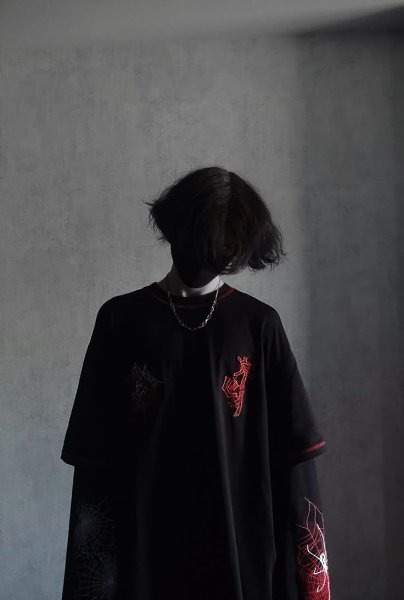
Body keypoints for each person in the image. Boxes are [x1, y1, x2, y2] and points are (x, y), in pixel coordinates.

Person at [60, 166, 331, 599]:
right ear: (176, 230)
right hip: (144, 545)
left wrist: (307, 581)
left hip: (238, 544)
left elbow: (295, 461)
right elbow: (95, 463)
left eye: (228, 243)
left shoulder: (258, 325)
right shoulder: (121, 320)